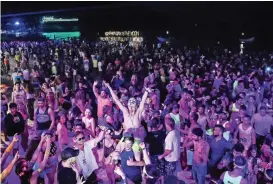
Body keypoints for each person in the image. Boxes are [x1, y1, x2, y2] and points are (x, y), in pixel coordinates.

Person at [105, 82, 150, 161]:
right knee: (117, 151)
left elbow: (142, 101)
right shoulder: (125, 111)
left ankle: (139, 168)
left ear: (136, 106)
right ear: (128, 106)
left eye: (133, 107)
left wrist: (146, 92)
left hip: (137, 138)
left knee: (137, 157)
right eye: (130, 106)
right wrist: (109, 87)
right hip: (127, 137)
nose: (131, 108)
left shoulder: (138, 113)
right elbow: (117, 100)